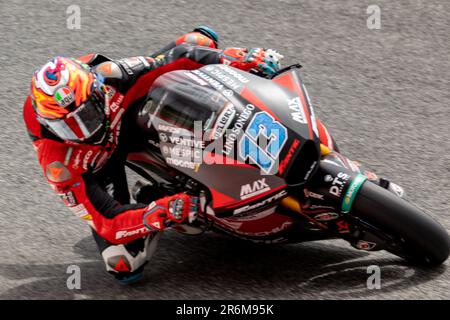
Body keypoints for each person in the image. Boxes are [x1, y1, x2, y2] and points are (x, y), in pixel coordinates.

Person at [22, 26, 284, 284]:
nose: (83, 132)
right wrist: (166, 210)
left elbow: (176, 58)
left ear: (98, 92)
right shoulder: (58, 164)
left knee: (199, 43)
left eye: (86, 116)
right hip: (100, 165)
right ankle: (159, 194)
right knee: (124, 263)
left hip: (126, 117)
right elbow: (108, 221)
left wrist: (238, 58)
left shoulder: (110, 76)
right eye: (66, 127)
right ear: (48, 124)